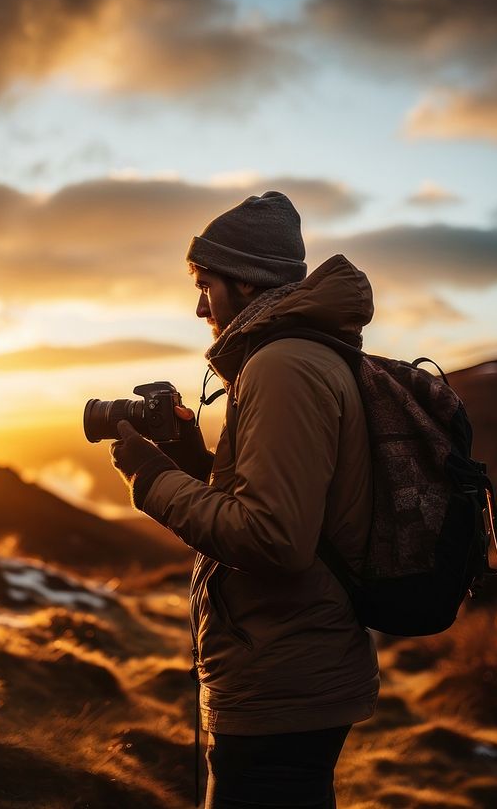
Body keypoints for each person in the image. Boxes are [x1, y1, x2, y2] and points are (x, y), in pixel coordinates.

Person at [109, 191, 379, 809]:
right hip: (286, 665)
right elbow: (277, 499)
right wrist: (188, 459)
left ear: (247, 280)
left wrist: (153, 480)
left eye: (207, 283)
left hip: (283, 676)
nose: (200, 303)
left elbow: (274, 538)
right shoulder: (292, 357)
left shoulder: (284, 366)